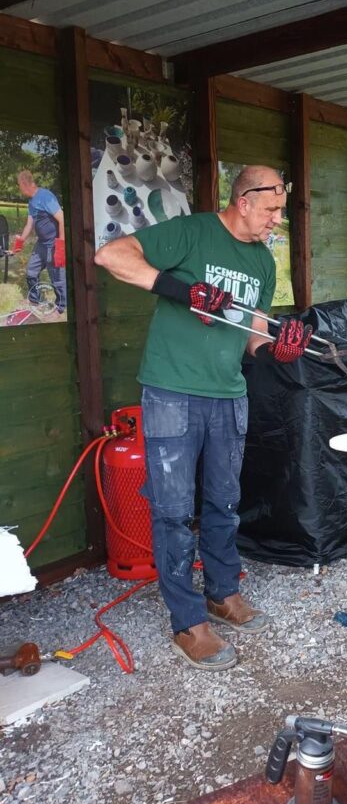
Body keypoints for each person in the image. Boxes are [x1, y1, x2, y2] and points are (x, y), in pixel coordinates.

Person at [95, 165, 310, 671]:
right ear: (244, 201)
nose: (276, 220)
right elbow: (111, 255)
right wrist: (182, 290)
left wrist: (275, 351)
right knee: (172, 510)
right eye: (272, 210)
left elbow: (253, 333)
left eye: (280, 211)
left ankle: (222, 593)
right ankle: (187, 622)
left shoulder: (262, 261)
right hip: (172, 391)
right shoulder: (193, 232)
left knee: (224, 502)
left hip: (229, 393)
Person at [14, 170, 67, 314]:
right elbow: (29, 224)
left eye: (19, 185)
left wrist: (60, 246)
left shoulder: (45, 196)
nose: (19, 188)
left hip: (53, 244)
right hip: (41, 244)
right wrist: (21, 240)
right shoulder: (32, 202)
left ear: (24, 184)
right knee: (31, 272)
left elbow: (62, 219)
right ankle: (34, 301)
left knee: (57, 278)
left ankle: (61, 307)